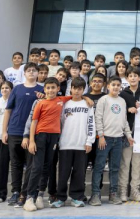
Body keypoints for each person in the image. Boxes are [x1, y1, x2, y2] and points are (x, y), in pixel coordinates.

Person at [22, 78, 70, 211]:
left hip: (54, 137)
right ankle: (29, 198)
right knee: (37, 167)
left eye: (53, 87)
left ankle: (39, 196)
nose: (50, 90)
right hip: (40, 136)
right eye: (48, 88)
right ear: (44, 89)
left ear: (58, 89)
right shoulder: (40, 103)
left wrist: (87, 98)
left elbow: (75, 96)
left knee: (47, 167)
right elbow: (33, 122)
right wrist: (31, 140)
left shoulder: (61, 100)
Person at [2, 63, 44, 208]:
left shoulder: (42, 90)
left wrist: (43, 98)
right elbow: (8, 110)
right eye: (28, 70)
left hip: (33, 133)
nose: (31, 72)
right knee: (15, 164)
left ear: (38, 73)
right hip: (15, 130)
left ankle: (25, 193)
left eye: (34, 70)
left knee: (31, 165)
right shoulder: (17, 89)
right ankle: (15, 191)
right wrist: (4, 131)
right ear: (24, 73)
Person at [51, 77, 95, 208]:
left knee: (79, 174)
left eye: (80, 89)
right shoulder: (65, 104)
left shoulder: (87, 104)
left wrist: (89, 141)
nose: (76, 91)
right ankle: (60, 197)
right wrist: (58, 140)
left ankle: (76, 197)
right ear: (71, 89)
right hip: (65, 144)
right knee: (63, 173)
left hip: (82, 144)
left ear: (83, 90)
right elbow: (59, 122)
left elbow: (91, 123)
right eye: (74, 88)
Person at [90, 76, 134, 206]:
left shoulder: (122, 101)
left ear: (121, 87)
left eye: (118, 85)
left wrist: (129, 135)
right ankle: (95, 194)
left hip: (118, 139)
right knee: (99, 167)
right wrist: (101, 136)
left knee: (115, 168)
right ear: (108, 86)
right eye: (113, 84)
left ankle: (113, 194)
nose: (115, 87)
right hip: (105, 139)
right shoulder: (103, 100)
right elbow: (98, 118)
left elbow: (124, 120)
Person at [118, 66, 140, 203]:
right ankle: (122, 190)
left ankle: (135, 191)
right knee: (125, 164)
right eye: (130, 76)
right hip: (127, 134)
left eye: (135, 75)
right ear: (127, 78)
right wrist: (127, 110)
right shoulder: (122, 94)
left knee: (137, 164)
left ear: (139, 78)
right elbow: (117, 112)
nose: (133, 78)